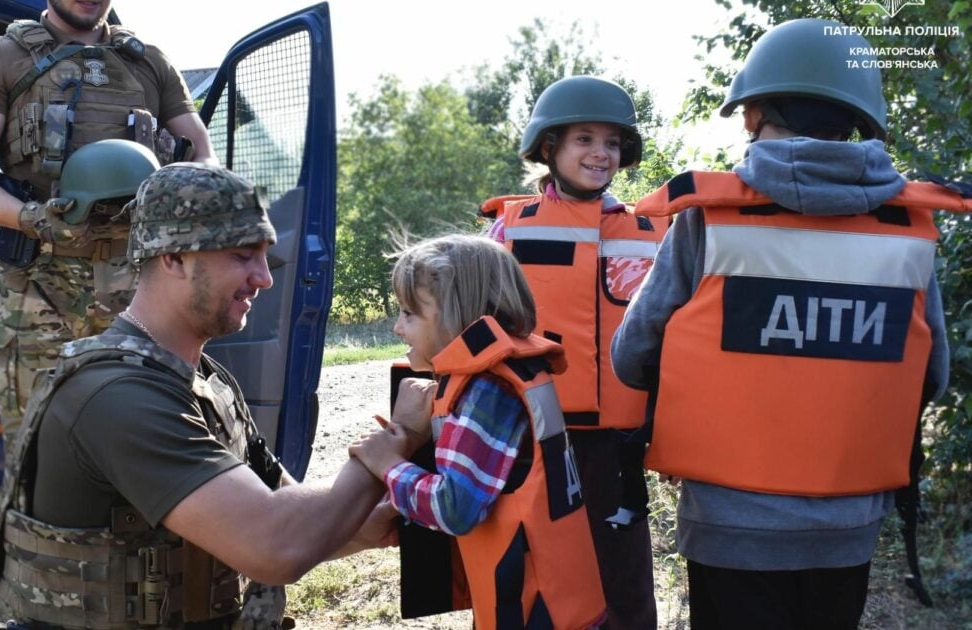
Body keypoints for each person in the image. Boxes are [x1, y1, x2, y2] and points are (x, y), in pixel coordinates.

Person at [611, 18, 972, 629]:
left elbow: (632, 355)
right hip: (848, 529)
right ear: (862, 117)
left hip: (727, 526)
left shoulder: (708, 220)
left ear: (752, 115)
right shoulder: (906, 232)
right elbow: (930, 379)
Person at [0, 162, 434, 629]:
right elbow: (274, 544)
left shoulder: (202, 378)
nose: (265, 278)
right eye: (243, 255)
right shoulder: (116, 396)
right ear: (174, 258)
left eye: (264, 255)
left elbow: (284, 513)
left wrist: (359, 528)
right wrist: (395, 441)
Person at [0, 0, 217, 452]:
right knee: (41, 454)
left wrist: (171, 209)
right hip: (39, 293)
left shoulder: (149, 63)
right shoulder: (0, 58)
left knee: (152, 444)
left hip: (142, 293)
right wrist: (31, 219)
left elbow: (204, 158)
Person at [480, 75, 664, 627]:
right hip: (534, 436)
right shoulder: (507, 231)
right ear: (549, 147)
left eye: (611, 142)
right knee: (540, 575)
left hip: (618, 445)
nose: (600, 153)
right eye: (584, 139)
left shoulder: (653, 232)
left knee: (623, 576)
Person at [350, 234, 606, 630]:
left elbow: (456, 509)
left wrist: (388, 464)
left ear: (458, 316)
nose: (397, 327)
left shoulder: (487, 391)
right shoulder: (511, 372)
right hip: (558, 599)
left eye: (409, 314)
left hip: (534, 610)